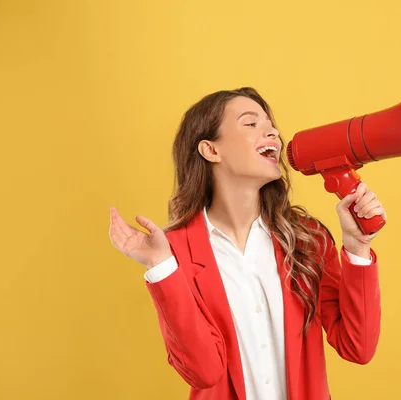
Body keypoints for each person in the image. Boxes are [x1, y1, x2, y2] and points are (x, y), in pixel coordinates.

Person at [109, 87, 386, 400]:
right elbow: (203, 372)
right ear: (210, 150)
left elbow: (357, 346)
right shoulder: (173, 252)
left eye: (270, 124)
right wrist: (161, 268)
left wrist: (358, 247)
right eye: (250, 123)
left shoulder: (306, 239)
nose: (273, 132)